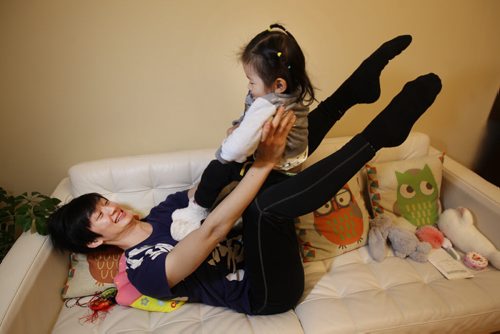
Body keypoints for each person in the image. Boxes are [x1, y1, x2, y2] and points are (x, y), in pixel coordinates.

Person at [48, 32, 442, 315]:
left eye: (102, 202)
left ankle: (355, 90)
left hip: (263, 246)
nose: (110, 208)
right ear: (96, 241)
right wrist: (263, 162)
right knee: (262, 207)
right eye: (98, 216)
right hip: (266, 292)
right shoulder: (142, 269)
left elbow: (208, 187)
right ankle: (381, 134)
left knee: (268, 152)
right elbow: (213, 230)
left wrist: (240, 145)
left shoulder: (165, 211)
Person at [170, 24, 315, 241]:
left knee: (217, 169)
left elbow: (236, 149)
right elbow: (252, 119)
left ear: (278, 85)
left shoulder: (268, 104)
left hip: (274, 169)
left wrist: (228, 144)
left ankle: (195, 212)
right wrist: (240, 125)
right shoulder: (292, 96)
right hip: (288, 170)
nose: (249, 86)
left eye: (251, 81)